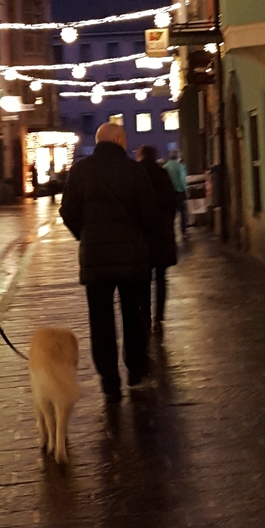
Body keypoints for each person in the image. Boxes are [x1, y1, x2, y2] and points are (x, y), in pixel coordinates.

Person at [60, 122, 157, 402]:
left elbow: (68, 211)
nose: (126, 142)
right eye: (124, 137)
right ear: (116, 140)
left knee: (100, 321)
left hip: (96, 258)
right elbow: (150, 213)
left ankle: (109, 381)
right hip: (131, 257)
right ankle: (135, 369)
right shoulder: (133, 170)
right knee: (133, 316)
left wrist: (86, 235)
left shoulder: (81, 171)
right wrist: (138, 236)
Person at [136, 145, 177, 336]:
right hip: (162, 235)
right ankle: (158, 318)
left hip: (142, 235)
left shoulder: (136, 174)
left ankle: (145, 315)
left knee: (143, 279)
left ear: (140, 156)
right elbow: (172, 203)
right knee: (161, 278)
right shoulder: (162, 174)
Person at [164, 151, 189, 238]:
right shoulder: (180, 166)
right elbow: (182, 180)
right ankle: (183, 231)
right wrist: (186, 191)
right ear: (178, 157)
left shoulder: (165, 167)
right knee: (182, 212)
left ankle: (170, 231)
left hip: (169, 193)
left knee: (171, 213)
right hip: (179, 191)